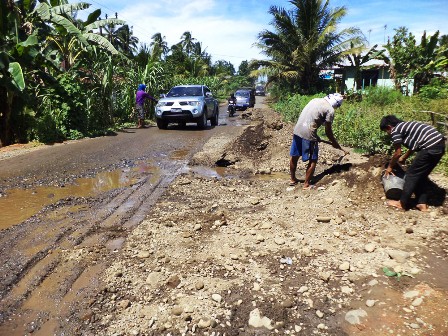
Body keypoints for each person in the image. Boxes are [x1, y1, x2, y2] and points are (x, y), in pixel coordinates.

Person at [380, 115, 446, 211]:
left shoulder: (395, 130)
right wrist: (404, 158)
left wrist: (390, 167)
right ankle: (422, 204)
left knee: (411, 174)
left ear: (389, 127)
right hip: (440, 145)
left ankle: (401, 203)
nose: (388, 133)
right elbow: (413, 146)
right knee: (421, 175)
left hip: (429, 146)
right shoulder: (406, 126)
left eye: (386, 131)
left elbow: (397, 153)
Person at [289, 93, 348, 189]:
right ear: (336, 104)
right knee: (313, 159)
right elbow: (328, 131)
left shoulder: (315, 100)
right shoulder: (330, 109)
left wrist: (316, 135)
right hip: (309, 133)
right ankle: (306, 184)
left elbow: (310, 119)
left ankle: (292, 179)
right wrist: (334, 142)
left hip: (297, 130)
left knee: (295, 156)